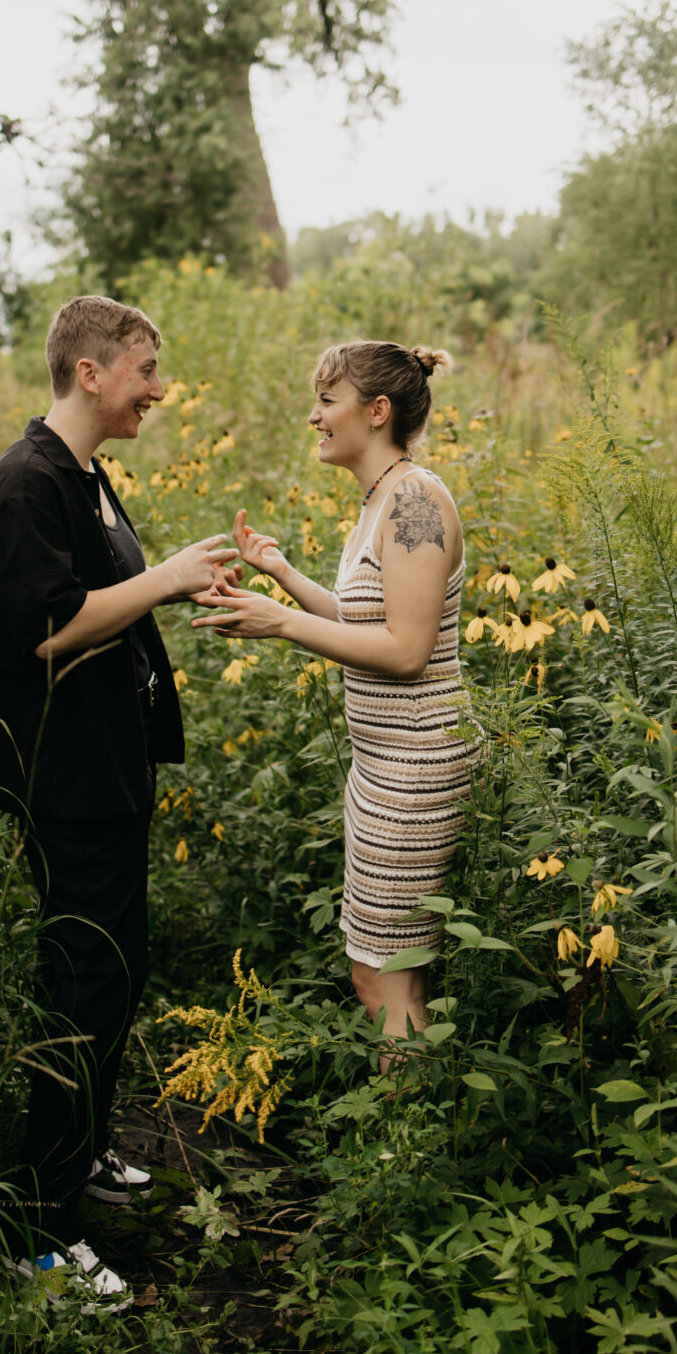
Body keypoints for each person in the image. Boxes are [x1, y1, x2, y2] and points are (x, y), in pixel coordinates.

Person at [0, 294, 235, 1309]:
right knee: (79, 993)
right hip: (65, 784)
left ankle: (79, 1156)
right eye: (144, 369)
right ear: (89, 371)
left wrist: (188, 580)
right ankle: (36, 1235)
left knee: (113, 977)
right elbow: (44, 634)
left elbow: (109, 602)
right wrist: (164, 579)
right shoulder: (24, 484)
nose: (156, 390)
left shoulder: (87, 475)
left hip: (111, 773)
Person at [193, 339, 479, 1069]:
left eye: (326, 399)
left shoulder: (415, 499)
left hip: (416, 764)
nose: (311, 415)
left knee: (380, 971)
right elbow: (367, 625)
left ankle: (402, 1149)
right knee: (387, 965)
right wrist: (280, 579)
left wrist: (280, 623)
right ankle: (406, 1131)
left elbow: (407, 651)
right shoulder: (383, 497)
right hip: (382, 764)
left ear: (376, 411)